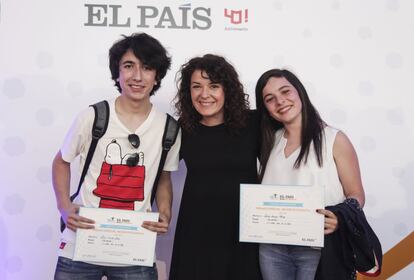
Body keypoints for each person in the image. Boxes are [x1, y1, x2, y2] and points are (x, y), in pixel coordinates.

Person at [52, 33, 181, 280]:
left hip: (135, 246)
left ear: (157, 77)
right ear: (117, 73)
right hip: (80, 244)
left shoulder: (169, 128)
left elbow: (163, 177)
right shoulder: (92, 116)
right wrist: (64, 208)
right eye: (129, 66)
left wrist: (164, 212)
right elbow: (61, 162)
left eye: (147, 68)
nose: (137, 76)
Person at [254, 69, 366, 280]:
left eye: (285, 91)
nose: (280, 101)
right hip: (272, 249)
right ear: (266, 109)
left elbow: (356, 193)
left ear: (300, 93)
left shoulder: (335, 139)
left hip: (318, 247)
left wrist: (340, 217)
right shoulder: (270, 142)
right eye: (270, 99)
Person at [169, 54, 262, 280]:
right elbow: (160, 172)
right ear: (188, 92)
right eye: (196, 86)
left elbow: (288, 151)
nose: (204, 94)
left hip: (243, 232)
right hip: (196, 233)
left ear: (227, 90)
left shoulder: (254, 123)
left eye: (214, 86)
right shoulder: (182, 129)